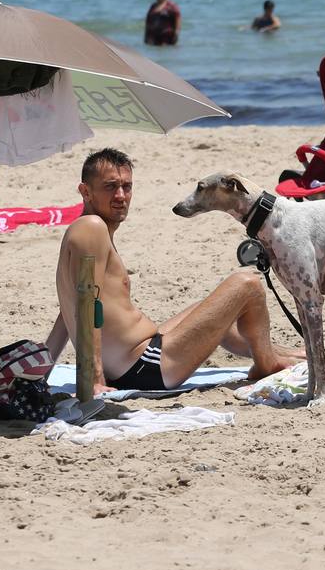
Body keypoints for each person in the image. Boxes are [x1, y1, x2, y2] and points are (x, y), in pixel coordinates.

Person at [43, 149, 301, 395]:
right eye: (110, 187)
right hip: (145, 367)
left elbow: (71, 307)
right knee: (248, 284)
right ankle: (267, 364)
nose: (121, 195)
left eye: (127, 186)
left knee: (218, 309)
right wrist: (94, 379)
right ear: (85, 191)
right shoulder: (92, 227)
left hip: (138, 358)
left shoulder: (84, 229)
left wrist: (44, 369)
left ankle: (285, 354)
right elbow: (87, 304)